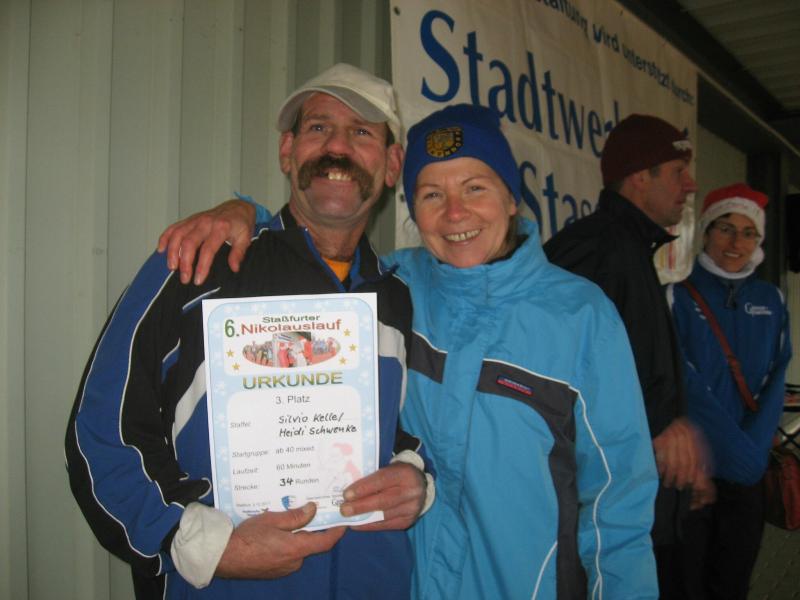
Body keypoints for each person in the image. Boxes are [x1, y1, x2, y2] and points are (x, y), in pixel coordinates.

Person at [159, 103, 660, 598]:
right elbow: (305, 249)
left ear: (511, 198)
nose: (455, 213)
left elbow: (618, 504)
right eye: (432, 194)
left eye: (475, 188)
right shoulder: (390, 289)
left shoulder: (581, 317)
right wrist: (243, 215)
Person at [65, 63, 432, 599]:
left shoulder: (400, 299)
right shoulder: (197, 265)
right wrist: (207, 547)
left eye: (361, 132)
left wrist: (415, 476)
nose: (338, 147)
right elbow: (101, 437)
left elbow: (414, 434)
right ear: (287, 151)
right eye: (318, 128)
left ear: (392, 164)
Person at [541, 113, 715, 597]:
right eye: (678, 172)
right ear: (640, 176)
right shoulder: (594, 249)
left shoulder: (629, 250)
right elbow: (548, 375)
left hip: (634, 509)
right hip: (599, 524)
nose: (690, 185)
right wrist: (658, 426)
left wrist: (674, 431)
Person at [667, 183, 792, 599]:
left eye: (748, 232)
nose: (736, 243)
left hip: (748, 470)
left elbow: (776, 378)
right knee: (685, 583)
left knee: (733, 584)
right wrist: (741, 455)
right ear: (705, 232)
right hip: (692, 471)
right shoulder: (676, 298)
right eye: (725, 229)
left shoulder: (772, 300)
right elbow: (682, 383)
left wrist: (751, 454)